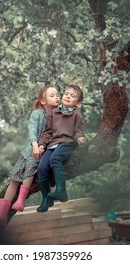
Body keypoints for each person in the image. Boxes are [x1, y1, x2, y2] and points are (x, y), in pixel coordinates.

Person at [0, 85, 60, 225]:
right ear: (43, 101)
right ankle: (2, 214)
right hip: (28, 150)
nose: (57, 97)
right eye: (52, 95)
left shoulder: (56, 117)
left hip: (39, 153)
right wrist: (35, 145)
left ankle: (20, 201)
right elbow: (32, 131)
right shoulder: (37, 113)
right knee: (14, 180)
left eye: (57, 94)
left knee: (29, 172)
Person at [36, 84, 86, 213]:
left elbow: (78, 131)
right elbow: (47, 132)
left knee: (55, 159)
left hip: (67, 143)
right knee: (41, 167)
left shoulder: (76, 115)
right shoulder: (53, 112)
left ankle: (61, 191)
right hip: (52, 143)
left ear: (78, 103)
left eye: (73, 96)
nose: (68, 96)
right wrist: (42, 144)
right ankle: (46, 199)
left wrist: (80, 138)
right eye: (67, 94)